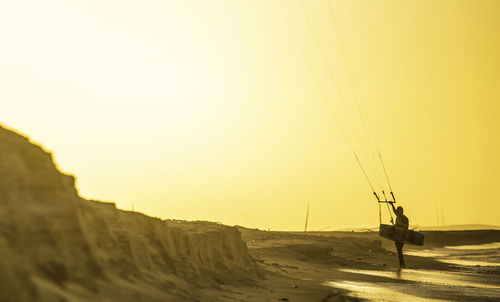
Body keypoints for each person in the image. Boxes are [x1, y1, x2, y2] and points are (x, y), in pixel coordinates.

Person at [388, 201, 409, 268]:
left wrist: (399, 225)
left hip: (402, 236)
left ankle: (402, 264)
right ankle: (401, 264)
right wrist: (392, 205)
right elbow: (394, 211)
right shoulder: (397, 216)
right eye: (397, 212)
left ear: (402, 212)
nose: (398, 213)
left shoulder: (405, 218)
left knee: (399, 249)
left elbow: (406, 227)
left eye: (399, 212)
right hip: (396, 236)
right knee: (398, 249)